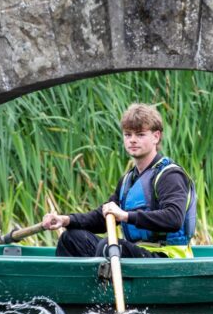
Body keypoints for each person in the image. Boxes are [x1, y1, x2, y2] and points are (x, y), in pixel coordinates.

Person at [42, 103, 196, 259]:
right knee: (71, 238)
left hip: (166, 257)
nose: (132, 140)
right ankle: (83, 283)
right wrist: (66, 220)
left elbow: (174, 218)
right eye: (128, 135)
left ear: (156, 136)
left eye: (140, 135)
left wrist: (125, 216)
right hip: (138, 253)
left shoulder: (169, 175)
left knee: (109, 245)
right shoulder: (128, 180)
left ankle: (103, 282)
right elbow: (102, 217)